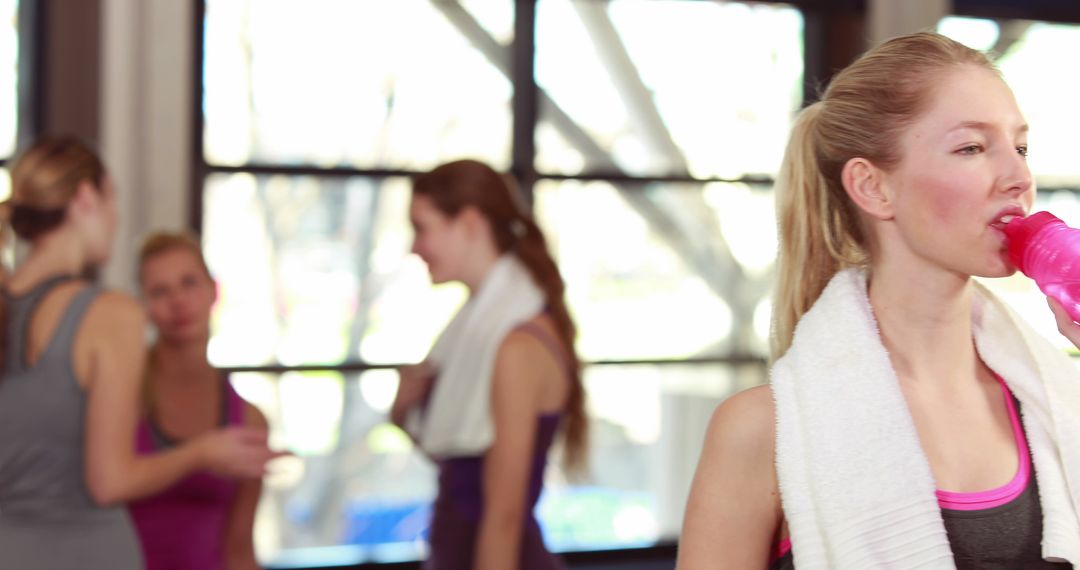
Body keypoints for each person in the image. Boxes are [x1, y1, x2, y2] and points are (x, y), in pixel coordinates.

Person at [678, 32, 1080, 569]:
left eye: (1021, 147)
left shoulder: (1059, 401)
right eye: (971, 148)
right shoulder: (760, 431)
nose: (1019, 178)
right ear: (873, 188)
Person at [0, 135, 280, 569]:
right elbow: (108, 483)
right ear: (85, 198)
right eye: (112, 201)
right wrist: (200, 453)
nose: (115, 219)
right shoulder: (108, 314)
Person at [390, 159, 588, 570]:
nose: (413, 247)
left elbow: (504, 516)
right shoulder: (472, 330)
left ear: (470, 223)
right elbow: (461, 465)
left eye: (422, 227)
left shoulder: (516, 346)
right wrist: (401, 409)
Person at [128, 231, 267, 570]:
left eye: (189, 283)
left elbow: (240, 546)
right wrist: (198, 456)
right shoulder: (123, 397)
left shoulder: (248, 418)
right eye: (160, 291)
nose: (178, 301)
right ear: (144, 306)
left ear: (213, 291)